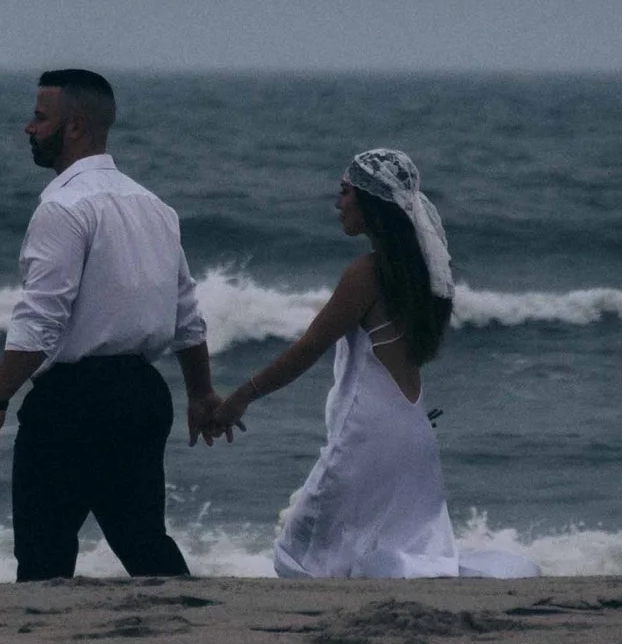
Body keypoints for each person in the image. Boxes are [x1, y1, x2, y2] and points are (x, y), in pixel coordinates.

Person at [208, 148, 538, 580]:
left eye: (345, 192)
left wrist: (239, 399)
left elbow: (309, 348)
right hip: (413, 431)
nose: (337, 202)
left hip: (369, 434)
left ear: (371, 202)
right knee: (375, 550)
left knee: (300, 553)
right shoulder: (419, 273)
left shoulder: (366, 273)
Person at [0, 70, 221, 581]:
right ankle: (186, 630)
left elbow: (40, 320)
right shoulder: (155, 207)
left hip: (72, 402)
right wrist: (200, 395)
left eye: (40, 118)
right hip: (143, 397)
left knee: (44, 553)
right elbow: (187, 320)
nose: (28, 128)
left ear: (76, 126)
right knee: (143, 538)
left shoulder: (63, 207)